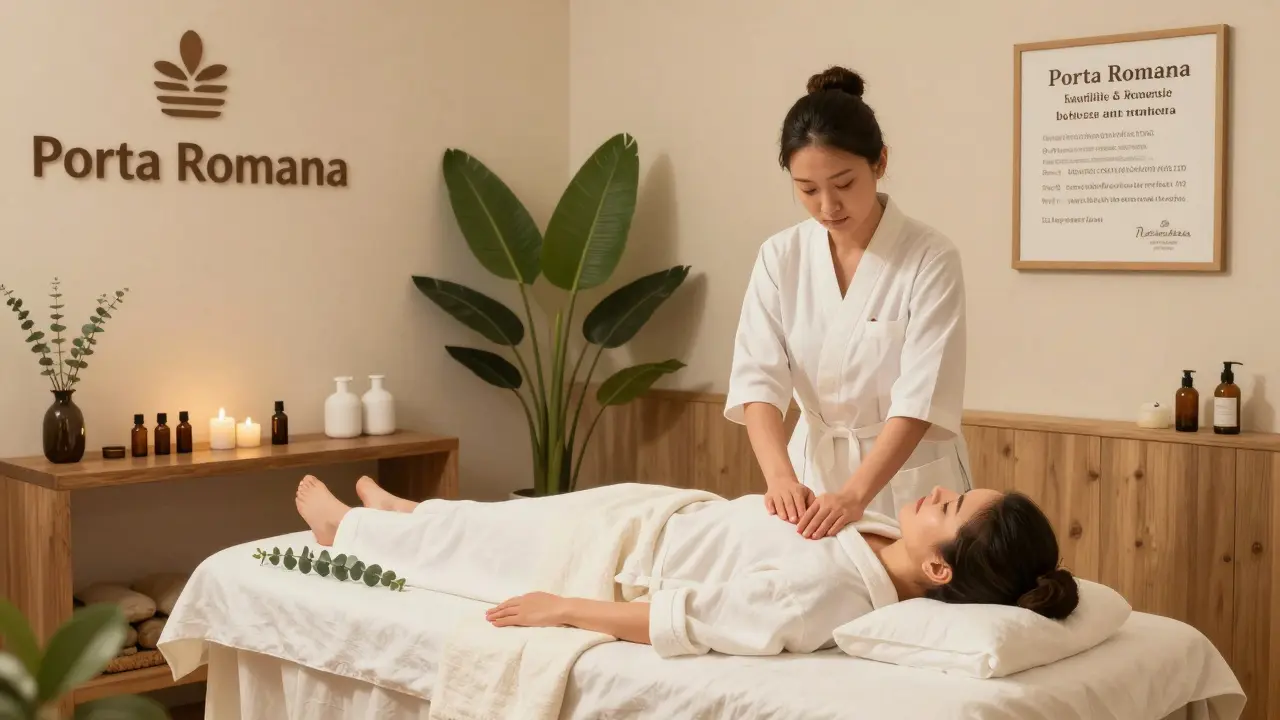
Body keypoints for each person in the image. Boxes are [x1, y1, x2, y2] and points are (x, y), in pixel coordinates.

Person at [294, 475, 1079, 659]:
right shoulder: (876, 537)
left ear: (942, 573)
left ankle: (347, 530)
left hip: (622, 560)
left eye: (948, 509)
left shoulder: (836, 593)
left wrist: (566, 610)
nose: (937, 492)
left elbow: (692, 624)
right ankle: (399, 515)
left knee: (481, 551)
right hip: (667, 512)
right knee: (495, 521)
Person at [725, 64, 972, 540]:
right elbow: (758, 377)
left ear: (879, 163)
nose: (828, 207)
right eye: (807, 189)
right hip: (808, 479)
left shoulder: (929, 257)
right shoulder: (781, 255)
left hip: (910, 486)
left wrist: (857, 494)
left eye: (844, 184)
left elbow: (921, 396)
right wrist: (779, 479)